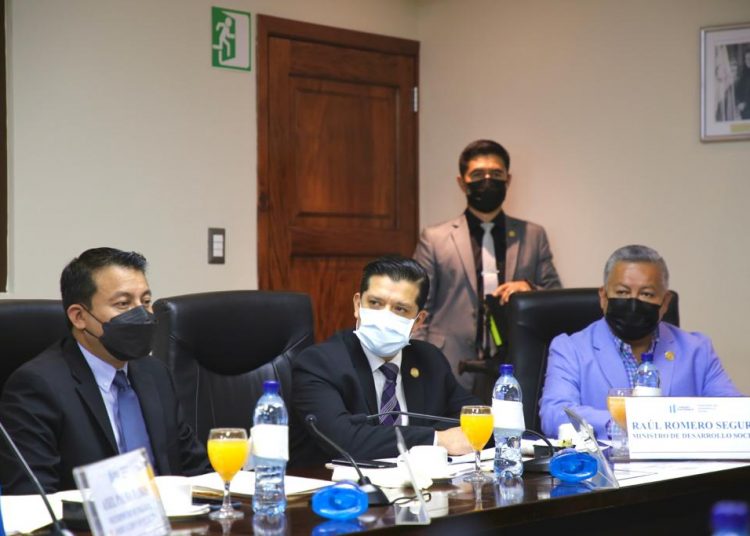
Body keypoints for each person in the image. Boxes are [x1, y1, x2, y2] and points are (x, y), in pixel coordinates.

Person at [0, 248, 210, 493]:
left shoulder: (155, 373)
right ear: (79, 317)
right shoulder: (36, 386)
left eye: (145, 301)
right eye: (123, 304)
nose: (142, 315)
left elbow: (196, 469)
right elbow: (33, 497)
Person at [290, 256, 479, 465]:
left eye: (400, 309)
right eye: (375, 303)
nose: (384, 317)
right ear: (357, 305)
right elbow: (345, 440)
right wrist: (438, 439)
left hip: (420, 482)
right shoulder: (319, 363)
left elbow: (476, 420)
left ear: (418, 321)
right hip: (334, 484)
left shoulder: (429, 360)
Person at [539, 245, 742, 439]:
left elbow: (737, 413)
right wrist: (630, 425)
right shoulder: (571, 349)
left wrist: (675, 426)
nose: (633, 302)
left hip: (680, 463)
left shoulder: (697, 350)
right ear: (603, 297)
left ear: (665, 302)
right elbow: (554, 414)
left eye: (646, 294)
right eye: (622, 292)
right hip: (604, 463)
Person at [413, 139, 561, 398]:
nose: (488, 181)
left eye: (496, 174)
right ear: (462, 182)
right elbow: (418, 306)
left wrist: (529, 289)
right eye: (478, 175)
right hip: (449, 364)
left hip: (515, 363)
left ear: (508, 180)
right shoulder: (434, 238)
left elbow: (555, 297)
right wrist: (422, 362)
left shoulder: (533, 235)